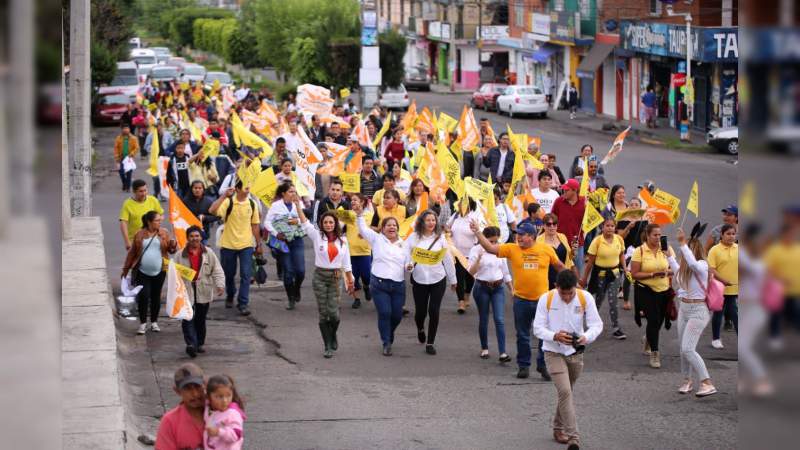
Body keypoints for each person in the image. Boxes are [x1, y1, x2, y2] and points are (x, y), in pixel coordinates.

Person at [471, 221, 568, 380]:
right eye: (517, 234)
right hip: (521, 300)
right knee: (522, 335)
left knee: (544, 335)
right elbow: (490, 248)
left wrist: (573, 282)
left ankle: (542, 365)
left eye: (522, 235)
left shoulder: (546, 249)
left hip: (542, 301)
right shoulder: (511, 249)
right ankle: (524, 365)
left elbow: (558, 266)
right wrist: (477, 232)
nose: (518, 238)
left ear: (532, 236)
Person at [533, 269, 603, 450]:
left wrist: (586, 337)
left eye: (570, 293)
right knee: (565, 392)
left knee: (567, 392)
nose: (566, 297)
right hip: (552, 352)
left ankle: (557, 428)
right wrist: (554, 336)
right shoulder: (546, 298)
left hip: (575, 353)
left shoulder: (585, 297)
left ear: (576, 287)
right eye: (562, 293)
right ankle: (574, 438)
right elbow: (537, 328)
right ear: (556, 287)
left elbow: (597, 324)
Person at [352, 195, 410, 356]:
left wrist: (410, 266)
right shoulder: (377, 239)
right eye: (388, 225)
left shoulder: (404, 244)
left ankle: (389, 334)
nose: (392, 227)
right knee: (385, 313)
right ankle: (386, 342)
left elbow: (408, 263)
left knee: (397, 316)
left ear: (397, 228)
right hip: (379, 284)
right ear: (383, 228)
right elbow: (363, 229)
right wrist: (358, 215)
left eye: (394, 225)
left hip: (398, 285)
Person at [296, 200, 354, 358]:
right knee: (323, 313)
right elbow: (305, 222)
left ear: (336, 224)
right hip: (320, 277)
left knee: (334, 314)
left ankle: (332, 334)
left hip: (336, 278)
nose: (328, 224)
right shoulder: (317, 236)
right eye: (326, 222)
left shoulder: (343, 240)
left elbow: (347, 264)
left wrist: (350, 281)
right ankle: (327, 344)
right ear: (322, 224)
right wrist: (297, 204)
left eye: (331, 222)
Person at [667, 226, 718, 397]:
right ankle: (686, 381)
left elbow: (694, 265)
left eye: (687, 249)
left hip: (699, 311)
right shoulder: (685, 268)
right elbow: (678, 273)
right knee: (683, 349)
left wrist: (682, 243)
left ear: (693, 250)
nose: (683, 253)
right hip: (684, 308)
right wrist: (669, 257)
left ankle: (707, 382)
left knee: (688, 348)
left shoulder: (702, 265)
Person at [209, 180, 263, 316]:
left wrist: (259, 244)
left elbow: (255, 225)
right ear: (237, 189)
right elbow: (212, 210)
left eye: (249, 187)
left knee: (246, 274)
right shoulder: (229, 202)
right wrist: (223, 196)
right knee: (229, 274)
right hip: (228, 245)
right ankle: (230, 294)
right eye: (245, 187)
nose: (248, 190)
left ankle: (243, 303)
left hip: (246, 245)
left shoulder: (252, 204)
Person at [406, 210, 457, 355]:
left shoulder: (440, 238)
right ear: (422, 222)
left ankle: (430, 342)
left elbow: (447, 259)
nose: (431, 223)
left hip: (437, 278)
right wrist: (408, 265)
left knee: (434, 310)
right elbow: (406, 254)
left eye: (433, 220)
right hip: (419, 279)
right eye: (428, 220)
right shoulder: (414, 238)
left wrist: (453, 280)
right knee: (420, 312)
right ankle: (420, 328)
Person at [121, 211, 178, 335]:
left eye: (159, 220)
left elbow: (171, 250)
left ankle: (154, 322)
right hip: (142, 272)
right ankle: (142, 324)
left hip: (160, 271)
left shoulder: (164, 233)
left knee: (156, 296)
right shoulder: (139, 234)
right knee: (143, 297)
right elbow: (132, 253)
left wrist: (173, 244)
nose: (159, 222)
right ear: (149, 222)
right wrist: (125, 270)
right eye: (157, 220)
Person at [175, 226, 225, 358]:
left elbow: (217, 270)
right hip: (187, 290)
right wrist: (176, 292)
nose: (194, 238)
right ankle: (191, 344)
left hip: (204, 289)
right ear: (187, 238)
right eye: (191, 236)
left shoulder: (208, 253)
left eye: (197, 236)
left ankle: (200, 343)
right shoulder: (180, 255)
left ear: (201, 237)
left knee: (200, 318)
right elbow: (173, 274)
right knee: (187, 317)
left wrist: (220, 285)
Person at [630, 223, 675, 369]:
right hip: (646, 290)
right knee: (653, 320)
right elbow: (634, 274)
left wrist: (668, 271)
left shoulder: (666, 249)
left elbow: (675, 268)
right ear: (647, 236)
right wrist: (652, 274)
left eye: (659, 234)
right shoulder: (640, 251)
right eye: (655, 235)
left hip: (664, 290)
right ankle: (655, 352)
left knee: (658, 322)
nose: (658, 237)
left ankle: (649, 338)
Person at [468, 226, 512, 362]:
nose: (493, 245)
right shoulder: (476, 250)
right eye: (491, 241)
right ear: (483, 239)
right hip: (482, 287)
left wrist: (511, 289)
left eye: (495, 241)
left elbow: (505, 271)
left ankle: (503, 352)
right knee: (484, 318)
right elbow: (471, 272)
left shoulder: (500, 249)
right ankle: (484, 348)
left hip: (498, 287)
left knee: (499, 319)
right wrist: (478, 259)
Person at [581, 217, 628, 340]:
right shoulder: (596, 241)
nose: (610, 228)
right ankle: (592, 326)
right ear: (602, 227)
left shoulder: (619, 239)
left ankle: (616, 328)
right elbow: (590, 263)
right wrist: (584, 279)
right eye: (607, 226)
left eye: (612, 226)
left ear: (615, 228)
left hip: (615, 274)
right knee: (598, 301)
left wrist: (625, 269)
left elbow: (622, 255)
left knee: (614, 302)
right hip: (600, 274)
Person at [265, 182, 307, 310]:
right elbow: (267, 222)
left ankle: (297, 288)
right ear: (283, 193)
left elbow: (304, 220)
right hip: (283, 242)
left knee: (300, 271)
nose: (293, 194)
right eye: (290, 192)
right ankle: (291, 298)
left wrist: (297, 220)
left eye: (295, 192)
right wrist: (276, 234)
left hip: (297, 239)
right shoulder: (276, 206)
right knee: (288, 272)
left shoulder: (299, 204)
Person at [155, 363, 206, 450]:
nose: (195, 394)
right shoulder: (170, 421)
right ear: (177, 391)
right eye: (187, 389)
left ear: (205, 385)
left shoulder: (219, 412)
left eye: (198, 387)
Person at [708, 224, 739, 349]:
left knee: (734, 313)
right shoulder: (715, 250)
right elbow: (711, 269)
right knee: (718, 313)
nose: (731, 236)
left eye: (733, 234)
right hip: (719, 288)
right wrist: (723, 280)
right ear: (722, 235)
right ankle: (715, 339)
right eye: (728, 234)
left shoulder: (739, 248)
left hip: (734, 288)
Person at [448, 198, 482, 314]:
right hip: (457, 253)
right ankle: (461, 301)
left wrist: (476, 230)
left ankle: (467, 294)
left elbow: (480, 232)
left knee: (469, 276)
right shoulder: (456, 215)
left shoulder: (474, 217)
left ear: (470, 205)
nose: (462, 205)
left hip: (470, 253)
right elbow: (447, 226)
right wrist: (448, 231)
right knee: (459, 276)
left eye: (465, 203)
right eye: (461, 203)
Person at [551, 179, 586, 273]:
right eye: (563, 190)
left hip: (577, 244)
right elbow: (552, 219)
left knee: (577, 273)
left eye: (567, 190)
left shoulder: (584, 203)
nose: (564, 192)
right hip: (560, 243)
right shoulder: (558, 201)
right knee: (559, 271)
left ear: (575, 190)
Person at [346, 193, 374, 309]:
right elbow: (338, 225)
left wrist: (367, 233)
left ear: (362, 202)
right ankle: (356, 298)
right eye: (351, 200)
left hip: (365, 251)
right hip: (350, 252)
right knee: (352, 278)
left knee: (367, 276)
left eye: (355, 200)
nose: (353, 202)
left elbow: (374, 229)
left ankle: (367, 286)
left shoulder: (370, 215)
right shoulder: (347, 214)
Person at [119, 179, 164, 251]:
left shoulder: (153, 200)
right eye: (141, 191)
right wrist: (127, 241)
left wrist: (157, 222)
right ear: (134, 191)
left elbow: (161, 215)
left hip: (153, 239)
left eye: (145, 190)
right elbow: (123, 223)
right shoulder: (127, 204)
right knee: (135, 262)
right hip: (136, 241)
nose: (144, 193)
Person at [204, 374, 246, 450]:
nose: (224, 400)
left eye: (228, 395)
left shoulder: (232, 414)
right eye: (219, 396)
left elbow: (236, 434)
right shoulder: (209, 408)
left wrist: (219, 432)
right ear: (209, 397)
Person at [537, 213, 577, 290]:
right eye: (549, 224)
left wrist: (573, 250)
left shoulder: (562, 236)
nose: (552, 227)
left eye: (554, 224)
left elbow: (570, 257)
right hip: (548, 277)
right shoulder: (539, 240)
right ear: (544, 226)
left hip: (563, 276)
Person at [114, 125, 139, 192]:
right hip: (121, 158)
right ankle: (125, 183)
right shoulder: (118, 138)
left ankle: (128, 187)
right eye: (124, 128)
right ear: (122, 130)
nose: (125, 130)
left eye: (127, 128)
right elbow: (116, 148)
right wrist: (116, 157)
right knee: (121, 172)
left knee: (129, 173)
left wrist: (132, 154)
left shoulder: (133, 138)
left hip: (129, 158)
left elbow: (136, 148)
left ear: (129, 129)